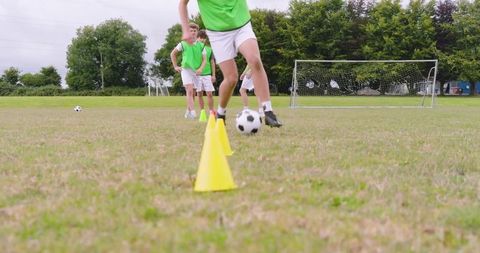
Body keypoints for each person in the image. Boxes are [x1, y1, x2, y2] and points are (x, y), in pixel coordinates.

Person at [178, 0, 282, 127]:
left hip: (242, 25)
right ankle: (221, 113)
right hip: (218, 33)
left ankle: (268, 111)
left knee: (254, 61)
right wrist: (185, 30)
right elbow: (182, 3)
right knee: (231, 78)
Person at [170, 22, 206, 119]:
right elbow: (172, 54)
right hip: (186, 70)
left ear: (197, 32)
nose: (193, 32)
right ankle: (193, 112)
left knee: (195, 92)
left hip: (196, 71)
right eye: (191, 31)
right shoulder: (183, 43)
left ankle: (188, 111)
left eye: (194, 31)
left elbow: (204, 60)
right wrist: (175, 66)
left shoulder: (201, 45)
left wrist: (201, 69)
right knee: (189, 91)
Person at [196, 30, 216, 114]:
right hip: (197, 75)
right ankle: (202, 112)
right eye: (200, 38)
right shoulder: (193, 48)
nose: (202, 39)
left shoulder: (209, 49)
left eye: (204, 38)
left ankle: (211, 111)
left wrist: (213, 75)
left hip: (207, 74)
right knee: (199, 94)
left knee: (209, 94)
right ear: (197, 38)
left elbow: (212, 62)